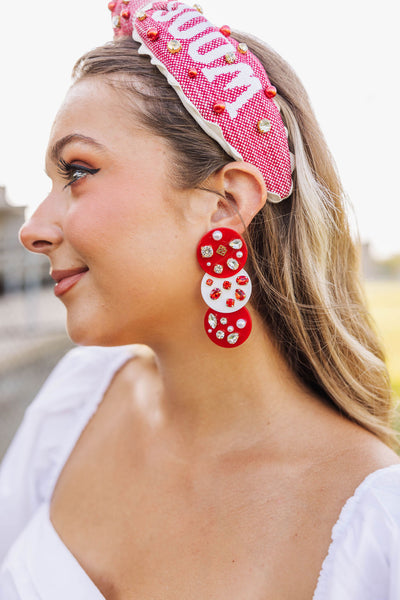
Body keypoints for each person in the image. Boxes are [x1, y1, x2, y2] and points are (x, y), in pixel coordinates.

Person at [1, 1, 399, 598]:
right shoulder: (77, 400)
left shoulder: (374, 529)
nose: (35, 227)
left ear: (225, 203)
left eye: (78, 171)